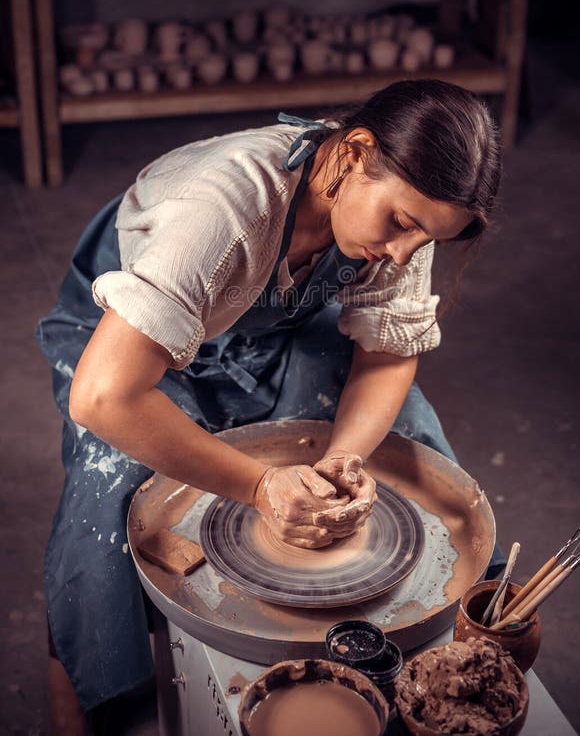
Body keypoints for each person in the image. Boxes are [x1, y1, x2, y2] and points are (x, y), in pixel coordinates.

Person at [36, 79, 502, 734]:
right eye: (399, 223)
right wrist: (259, 485)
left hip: (264, 326)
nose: (402, 251)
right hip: (122, 338)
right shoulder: (224, 206)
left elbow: (389, 355)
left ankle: (468, 634)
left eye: (424, 239)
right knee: (109, 486)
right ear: (353, 153)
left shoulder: (397, 219)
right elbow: (104, 395)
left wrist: (345, 456)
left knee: (407, 437)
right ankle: (85, 704)